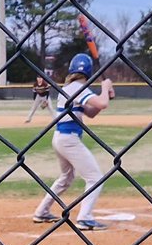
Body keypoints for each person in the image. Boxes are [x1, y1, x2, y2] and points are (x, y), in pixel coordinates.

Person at [32, 53, 115, 230]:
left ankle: (42, 211)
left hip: (60, 139)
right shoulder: (79, 88)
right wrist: (105, 87)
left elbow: (91, 112)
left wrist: (105, 94)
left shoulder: (69, 88)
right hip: (69, 140)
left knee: (66, 177)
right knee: (95, 177)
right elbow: (102, 104)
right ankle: (85, 218)